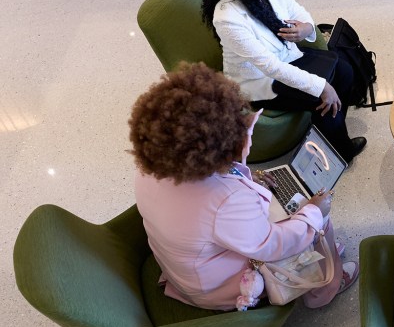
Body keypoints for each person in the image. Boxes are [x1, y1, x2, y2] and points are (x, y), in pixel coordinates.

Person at [130, 62, 357, 312]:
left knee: (293, 211)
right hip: (219, 286)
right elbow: (270, 244)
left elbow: (210, 203)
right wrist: (313, 212)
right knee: (317, 217)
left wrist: (247, 180)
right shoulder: (227, 200)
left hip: (186, 266)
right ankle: (324, 290)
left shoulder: (152, 168)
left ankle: (316, 250)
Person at [201, 0, 366, 162]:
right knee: (321, 97)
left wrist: (306, 28)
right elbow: (270, 67)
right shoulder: (228, 18)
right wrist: (322, 86)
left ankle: (329, 133)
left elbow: (295, 8)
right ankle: (341, 151)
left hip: (286, 57)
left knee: (345, 71)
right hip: (259, 80)